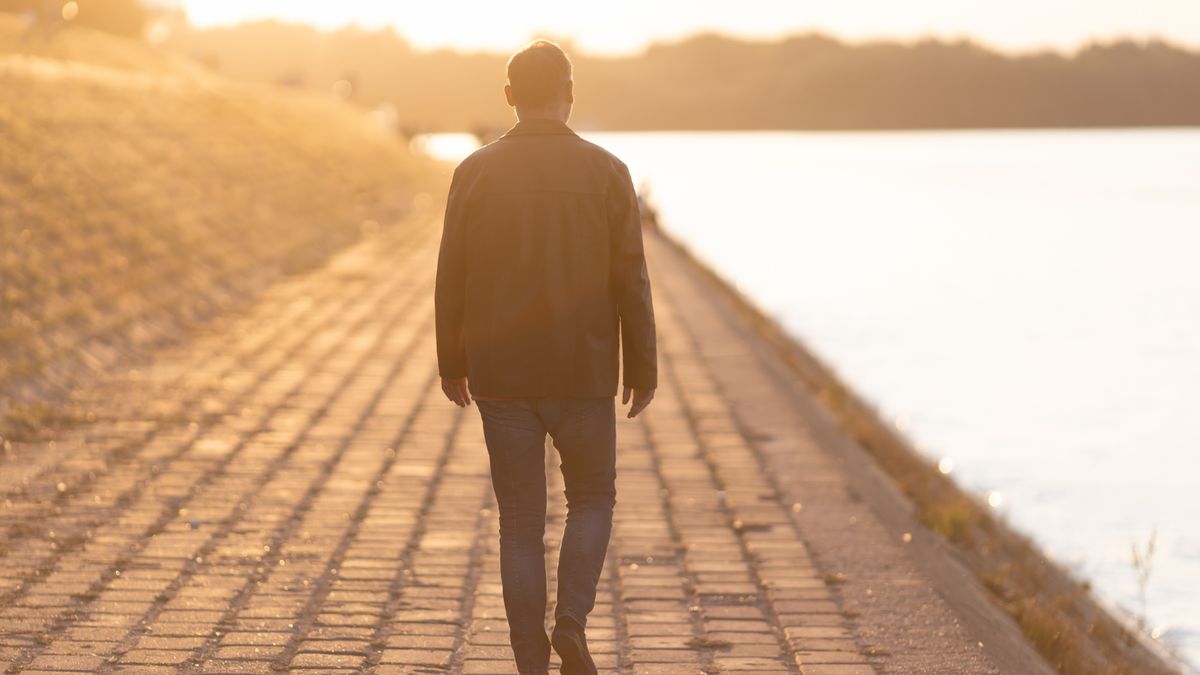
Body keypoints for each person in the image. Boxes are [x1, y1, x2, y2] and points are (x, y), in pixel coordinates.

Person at [435, 39, 657, 675]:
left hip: (503, 375)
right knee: (592, 499)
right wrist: (641, 367)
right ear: (570, 93)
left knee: (520, 523)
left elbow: (452, 275)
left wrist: (452, 360)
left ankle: (529, 657)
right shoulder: (608, 171)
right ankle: (571, 625)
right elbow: (630, 277)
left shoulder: (473, 172)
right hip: (585, 373)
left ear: (508, 97)